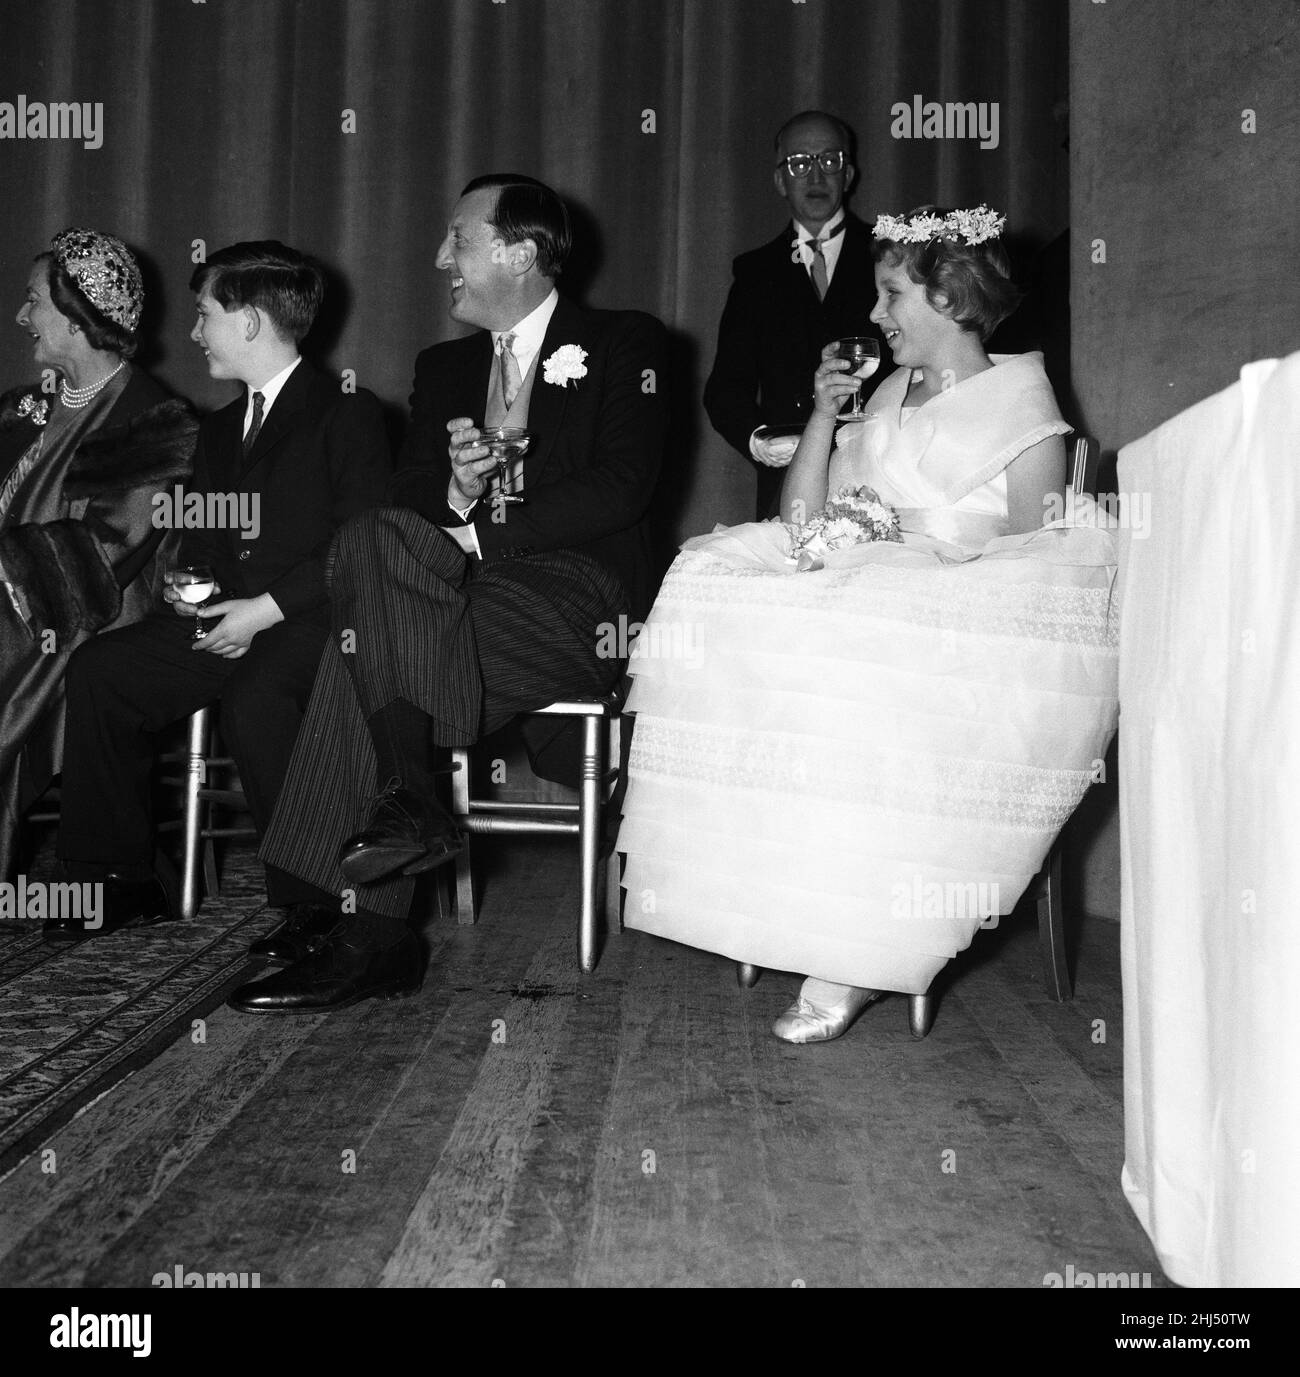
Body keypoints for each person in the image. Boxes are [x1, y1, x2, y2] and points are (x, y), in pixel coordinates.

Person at [618, 205, 1120, 1043]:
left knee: (852, 651)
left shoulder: (1023, 404)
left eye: (892, 295)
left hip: (968, 634)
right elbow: (807, 521)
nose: (877, 315)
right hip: (867, 587)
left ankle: (852, 955)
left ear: (954, 297)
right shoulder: (888, 392)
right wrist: (822, 416)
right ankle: (777, 893)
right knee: (718, 583)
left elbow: (1045, 573)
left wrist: (931, 586)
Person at [226, 173, 668, 1013]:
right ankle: (406, 816)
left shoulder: (623, 343)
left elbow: (623, 485)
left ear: (523, 253)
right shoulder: (445, 365)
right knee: (368, 545)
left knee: (364, 644)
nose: (440, 259)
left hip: (578, 593)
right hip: (447, 590)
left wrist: (480, 531)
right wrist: (459, 495)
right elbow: (409, 498)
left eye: (457, 241)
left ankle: (355, 917)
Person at [50, 241, 391, 939]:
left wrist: (262, 612)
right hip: (228, 617)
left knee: (258, 687)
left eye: (205, 315)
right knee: (102, 670)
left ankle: (314, 906)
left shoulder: (349, 415)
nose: (194, 333)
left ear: (251, 323)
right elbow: (203, 535)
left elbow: (358, 545)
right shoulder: (216, 430)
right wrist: (187, 585)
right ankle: (119, 876)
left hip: (317, 621)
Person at [0, 228, 198, 885]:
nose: (22, 315)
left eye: (34, 301)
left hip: (81, 617)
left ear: (78, 313)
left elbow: (101, 553)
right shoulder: (23, 409)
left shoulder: (150, 417)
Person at [703, 111, 884, 520]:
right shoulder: (754, 271)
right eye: (800, 163)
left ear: (849, 174)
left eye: (829, 160)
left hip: (881, 477)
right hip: (789, 485)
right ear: (780, 180)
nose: (816, 176)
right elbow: (725, 389)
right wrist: (758, 441)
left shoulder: (888, 255)